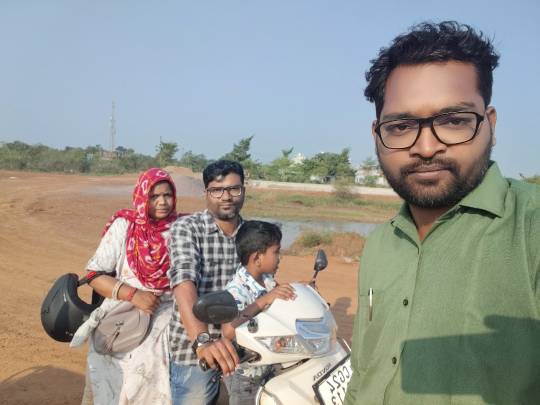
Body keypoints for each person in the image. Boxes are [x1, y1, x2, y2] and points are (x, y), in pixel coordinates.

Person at [345, 21, 540, 404]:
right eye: (401, 126)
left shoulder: (530, 229)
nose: (426, 147)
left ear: (490, 124)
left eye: (453, 121)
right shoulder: (380, 244)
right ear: (377, 134)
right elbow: (364, 371)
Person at [79, 168, 182, 404]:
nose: (162, 202)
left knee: (157, 366)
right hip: (124, 307)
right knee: (106, 361)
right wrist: (134, 295)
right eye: (154, 196)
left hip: (169, 309)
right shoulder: (125, 226)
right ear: (142, 197)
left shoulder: (183, 228)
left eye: (167, 195)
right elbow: (94, 274)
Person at [167, 160, 246, 405]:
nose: (226, 197)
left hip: (242, 345)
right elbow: (184, 282)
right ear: (206, 193)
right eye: (217, 190)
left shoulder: (252, 234)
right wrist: (203, 341)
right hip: (194, 347)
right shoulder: (187, 228)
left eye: (234, 189)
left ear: (243, 190)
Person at [221, 220, 296, 405]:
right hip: (245, 377)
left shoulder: (267, 280)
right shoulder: (236, 290)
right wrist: (263, 301)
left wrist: (300, 290)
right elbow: (228, 331)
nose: (279, 258)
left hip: (268, 367)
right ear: (257, 258)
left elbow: (279, 297)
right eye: (276, 252)